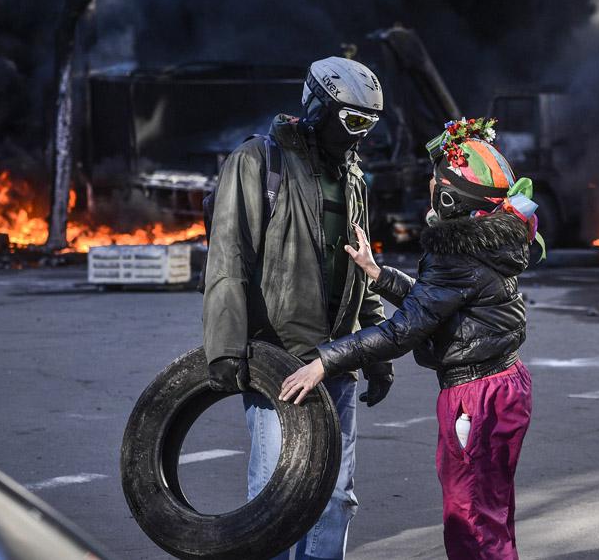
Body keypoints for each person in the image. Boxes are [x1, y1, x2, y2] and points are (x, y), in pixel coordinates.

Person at [280, 118, 538, 560]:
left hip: (474, 396)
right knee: (493, 509)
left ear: (450, 197)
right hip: (507, 384)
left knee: (470, 518)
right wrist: (378, 274)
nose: (430, 190)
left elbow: (403, 331)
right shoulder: (492, 241)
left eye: (435, 184)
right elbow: (435, 301)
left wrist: (326, 360)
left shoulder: (455, 254)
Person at [201, 56, 395, 559]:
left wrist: (376, 351)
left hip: (339, 360)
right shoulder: (257, 161)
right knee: (276, 497)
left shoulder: (353, 177)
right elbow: (228, 255)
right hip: (279, 362)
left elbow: (363, 266)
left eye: (369, 124)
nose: (359, 136)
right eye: (352, 121)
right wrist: (224, 347)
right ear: (319, 108)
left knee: (336, 499)